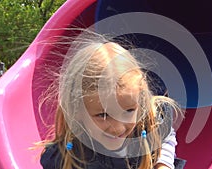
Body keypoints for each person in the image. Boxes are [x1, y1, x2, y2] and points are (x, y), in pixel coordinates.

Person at [39, 30, 186, 169]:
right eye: (103, 115)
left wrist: (163, 164)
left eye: (128, 111)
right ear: (77, 109)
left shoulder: (151, 120)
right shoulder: (66, 156)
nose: (118, 128)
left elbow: (165, 135)